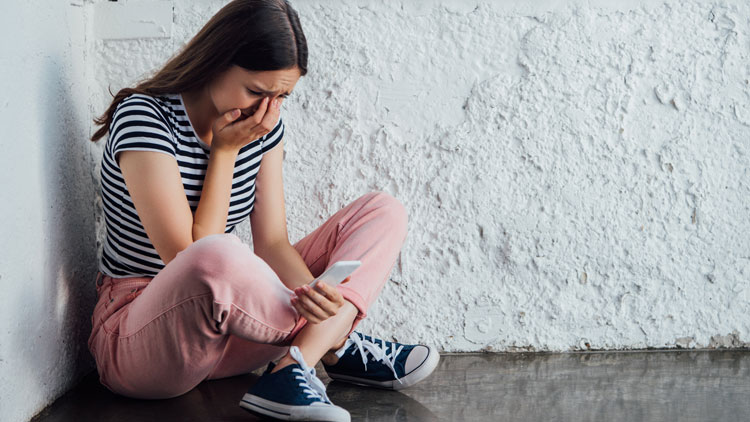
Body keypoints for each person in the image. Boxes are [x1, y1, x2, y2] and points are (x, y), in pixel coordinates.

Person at [86, 1, 439, 421]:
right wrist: (225, 151)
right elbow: (186, 259)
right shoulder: (145, 116)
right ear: (215, 62)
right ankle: (338, 342)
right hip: (141, 339)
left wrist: (318, 298)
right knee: (220, 255)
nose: (266, 109)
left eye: (282, 96)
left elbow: (272, 243)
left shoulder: (265, 127)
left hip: (228, 332)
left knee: (381, 211)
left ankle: (294, 366)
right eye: (256, 91)